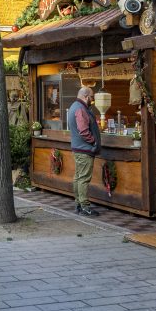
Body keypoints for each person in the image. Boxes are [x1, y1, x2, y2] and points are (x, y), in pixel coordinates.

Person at [67, 86, 100, 217]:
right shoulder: (81, 109)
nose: (92, 100)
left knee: (78, 177)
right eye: (92, 97)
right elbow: (83, 131)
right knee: (83, 179)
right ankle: (85, 206)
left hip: (79, 148)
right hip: (84, 149)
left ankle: (79, 203)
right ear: (86, 96)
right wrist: (93, 141)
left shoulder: (74, 106)